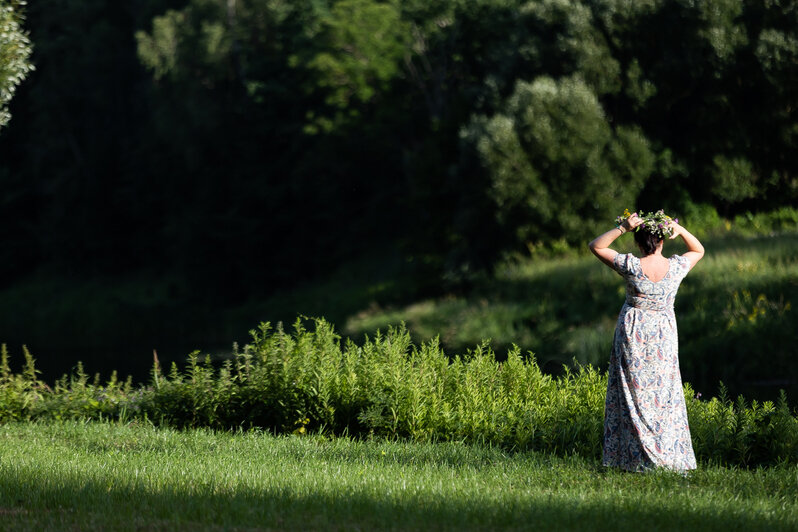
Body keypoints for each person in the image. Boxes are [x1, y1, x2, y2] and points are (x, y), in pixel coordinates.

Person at [587, 210, 705, 472]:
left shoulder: (630, 265)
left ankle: (632, 460)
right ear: (662, 241)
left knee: (633, 394)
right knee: (664, 395)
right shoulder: (675, 267)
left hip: (633, 334)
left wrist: (623, 227)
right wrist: (681, 230)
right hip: (663, 335)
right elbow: (698, 250)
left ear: (638, 243)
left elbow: (596, 245)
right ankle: (667, 458)